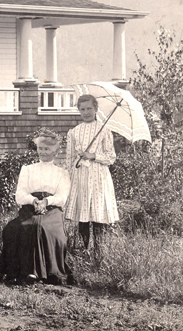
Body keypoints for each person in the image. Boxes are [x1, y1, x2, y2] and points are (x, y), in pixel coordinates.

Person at [0, 129, 72, 285]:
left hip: (52, 210)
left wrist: (46, 201)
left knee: (40, 226)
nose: (43, 152)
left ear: (56, 151)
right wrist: (33, 201)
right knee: (14, 228)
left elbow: (62, 198)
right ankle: (16, 270)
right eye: (40, 148)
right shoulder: (28, 169)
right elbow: (20, 195)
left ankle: (38, 272)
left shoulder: (62, 173)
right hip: (29, 207)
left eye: (47, 149)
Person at [64, 94, 119, 256]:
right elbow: (69, 159)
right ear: (78, 111)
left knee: (96, 214)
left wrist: (93, 156)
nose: (86, 112)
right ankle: (84, 251)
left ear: (96, 109)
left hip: (98, 177)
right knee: (83, 216)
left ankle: (99, 253)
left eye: (89, 108)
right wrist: (72, 170)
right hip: (80, 176)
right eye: (82, 109)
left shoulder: (104, 130)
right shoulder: (74, 132)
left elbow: (111, 157)